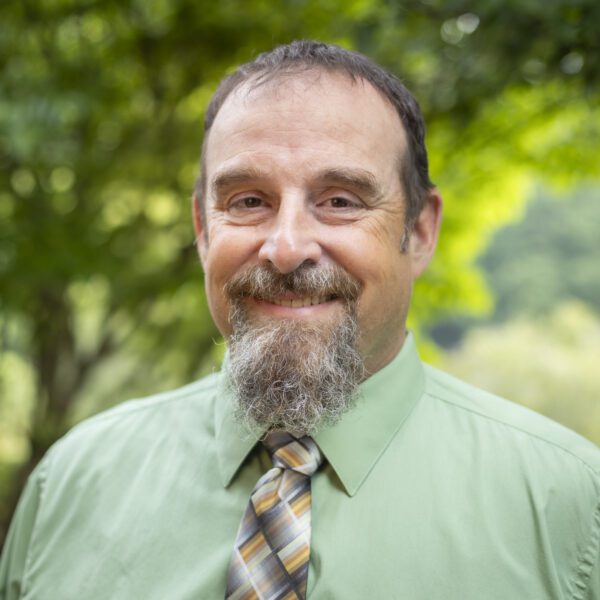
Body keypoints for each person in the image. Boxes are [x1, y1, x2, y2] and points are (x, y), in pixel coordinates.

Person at [1, 40, 599, 600]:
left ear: (418, 231)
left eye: (340, 201)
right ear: (204, 230)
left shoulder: (569, 504)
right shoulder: (71, 484)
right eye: (248, 201)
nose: (286, 248)